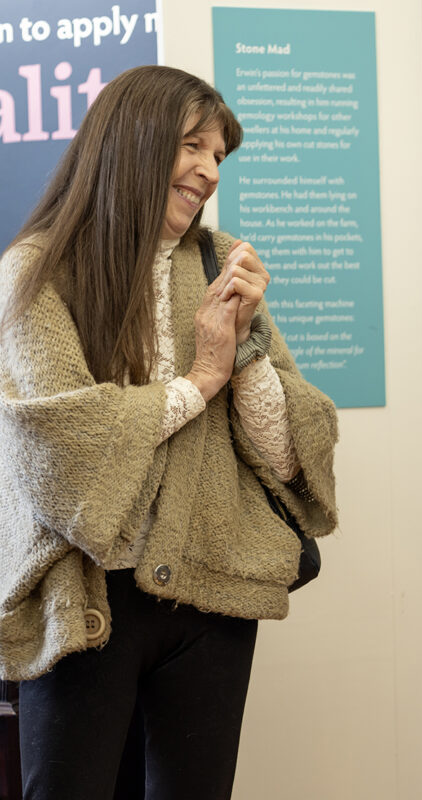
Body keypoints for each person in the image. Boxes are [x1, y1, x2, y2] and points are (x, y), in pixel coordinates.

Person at [0, 65, 338, 800]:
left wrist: (243, 351)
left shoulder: (221, 261)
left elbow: (290, 455)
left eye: (218, 155)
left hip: (213, 594)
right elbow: (62, 448)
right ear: (133, 143)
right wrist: (200, 380)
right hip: (83, 594)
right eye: (193, 146)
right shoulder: (37, 271)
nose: (209, 170)